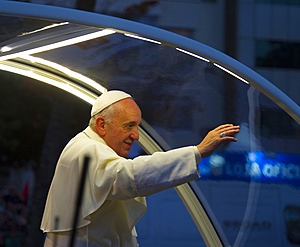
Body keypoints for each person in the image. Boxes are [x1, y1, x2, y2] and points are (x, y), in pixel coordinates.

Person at [40, 90, 240, 247]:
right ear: (102, 125)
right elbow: (129, 176)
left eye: (137, 127)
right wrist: (197, 152)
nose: (136, 135)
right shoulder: (86, 150)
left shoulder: (90, 147)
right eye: (129, 126)